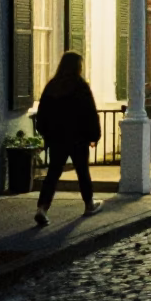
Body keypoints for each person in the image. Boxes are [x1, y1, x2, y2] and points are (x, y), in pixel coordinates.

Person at [33, 51, 103, 226]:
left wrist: (46, 134)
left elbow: (42, 114)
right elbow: (90, 113)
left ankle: (42, 208)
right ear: (77, 66)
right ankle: (89, 204)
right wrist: (94, 136)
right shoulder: (80, 86)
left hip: (57, 139)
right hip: (78, 138)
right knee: (82, 172)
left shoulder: (52, 86)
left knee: (53, 174)